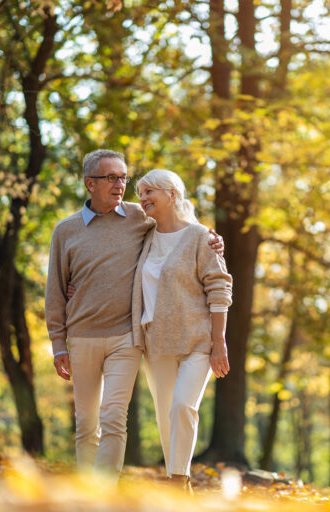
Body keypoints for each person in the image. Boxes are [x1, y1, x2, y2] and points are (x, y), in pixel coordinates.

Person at [45, 150, 222, 480]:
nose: (120, 184)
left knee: (114, 416)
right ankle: (87, 492)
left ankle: (106, 490)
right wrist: (58, 343)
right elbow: (55, 291)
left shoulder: (140, 217)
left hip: (127, 336)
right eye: (111, 177)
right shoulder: (65, 230)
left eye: (123, 177)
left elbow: (179, 221)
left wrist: (211, 236)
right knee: (86, 422)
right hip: (81, 336)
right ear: (90, 184)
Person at [131, 169, 232, 493]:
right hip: (156, 342)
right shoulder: (142, 236)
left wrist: (219, 343)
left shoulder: (202, 236)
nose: (143, 198)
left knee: (182, 406)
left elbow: (219, 289)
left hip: (197, 343)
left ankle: (178, 480)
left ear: (172, 193)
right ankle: (180, 485)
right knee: (165, 417)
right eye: (140, 193)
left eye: (150, 192)